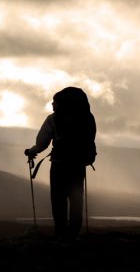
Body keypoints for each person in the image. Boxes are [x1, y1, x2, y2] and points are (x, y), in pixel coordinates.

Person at [24, 87, 96, 238]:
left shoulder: (54, 119)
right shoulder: (87, 118)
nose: (52, 104)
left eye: (54, 102)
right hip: (78, 164)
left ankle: (61, 233)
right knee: (76, 198)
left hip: (59, 163)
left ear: (61, 103)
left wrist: (32, 151)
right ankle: (74, 232)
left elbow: (42, 143)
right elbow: (90, 139)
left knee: (58, 199)